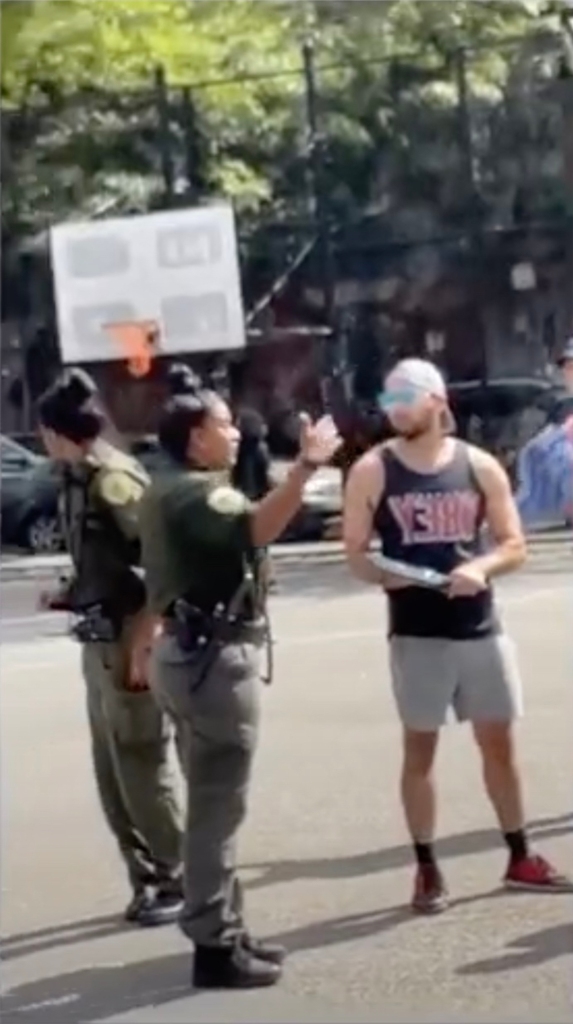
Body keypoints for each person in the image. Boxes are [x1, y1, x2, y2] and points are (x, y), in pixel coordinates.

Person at [343, 357, 571, 914]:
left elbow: (514, 543)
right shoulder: (374, 470)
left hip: (480, 627)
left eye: (406, 398)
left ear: (437, 401)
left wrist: (481, 569)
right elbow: (356, 551)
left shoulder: (479, 466)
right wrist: (382, 572)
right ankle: (426, 867)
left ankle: (520, 855)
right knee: (420, 749)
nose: (395, 409)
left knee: (500, 746)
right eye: (389, 399)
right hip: (416, 633)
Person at [137, 368, 340, 989]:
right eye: (223, 424)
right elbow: (255, 527)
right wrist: (306, 468)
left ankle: (226, 924)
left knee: (211, 799)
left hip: (188, 655)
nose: (235, 432)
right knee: (216, 808)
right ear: (196, 438)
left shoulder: (169, 483)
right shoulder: (197, 493)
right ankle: (215, 945)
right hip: (212, 663)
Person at [37, 368, 184, 927]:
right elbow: (104, 560)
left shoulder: (113, 480)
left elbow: (160, 565)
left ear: (59, 432)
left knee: (143, 766)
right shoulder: (75, 476)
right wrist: (70, 594)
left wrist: (145, 642)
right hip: (98, 641)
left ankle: (185, 877)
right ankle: (148, 877)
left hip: (128, 640)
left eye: (46, 432)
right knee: (113, 772)